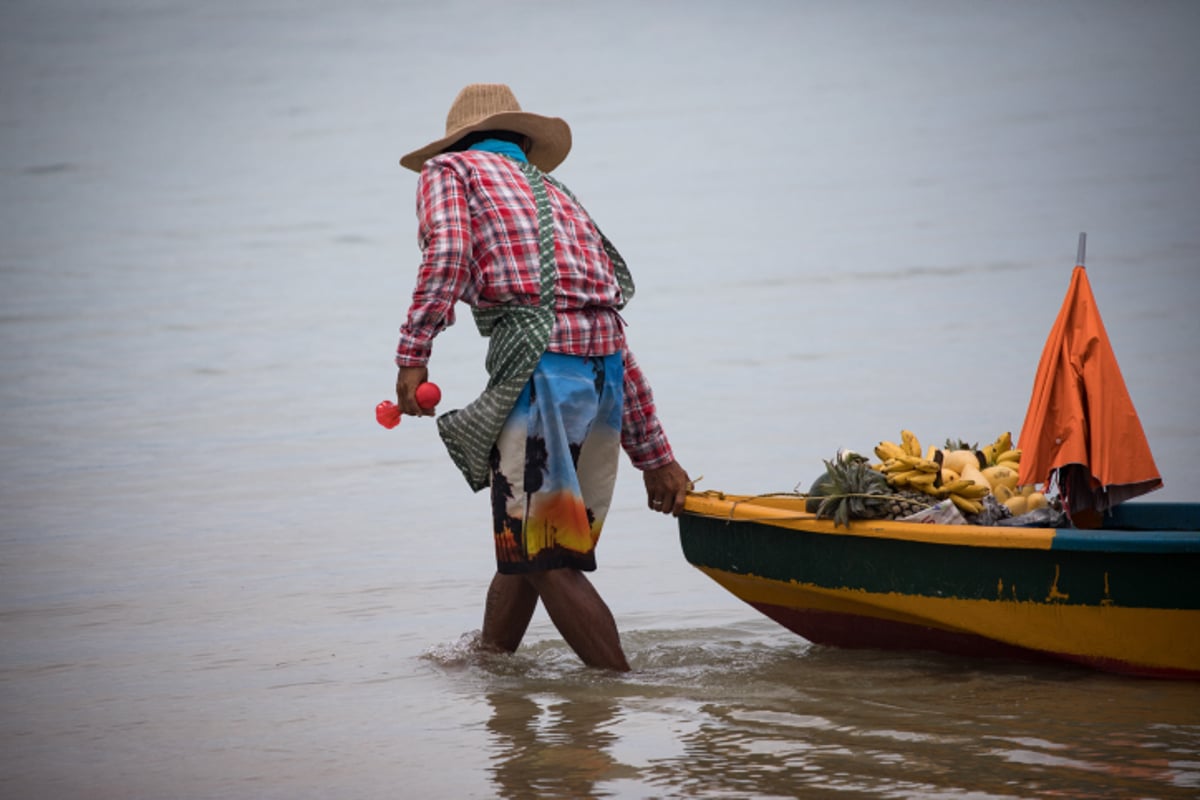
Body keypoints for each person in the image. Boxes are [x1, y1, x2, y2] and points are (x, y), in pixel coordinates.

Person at [393, 83, 690, 671]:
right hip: (604, 379)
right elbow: (609, 329)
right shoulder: (559, 194)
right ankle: (490, 664)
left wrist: (413, 351)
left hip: (541, 377)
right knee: (529, 547)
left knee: (547, 554)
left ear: (460, 139)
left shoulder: (448, 170)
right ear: (524, 143)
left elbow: (448, 254)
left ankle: (616, 690)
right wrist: (655, 456)